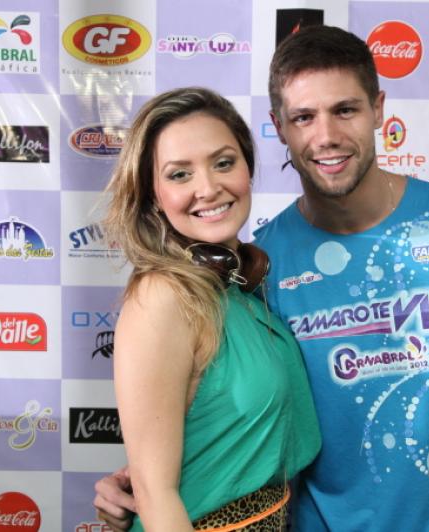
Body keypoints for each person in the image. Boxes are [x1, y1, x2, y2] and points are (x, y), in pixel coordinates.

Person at [96, 26, 429, 532]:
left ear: (378, 109)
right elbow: (213, 400)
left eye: (345, 110)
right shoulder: (261, 264)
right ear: (279, 127)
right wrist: (146, 481)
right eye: (304, 117)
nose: (325, 136)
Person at [103, 86, 321, 531]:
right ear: (152, 194)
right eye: (180, 174)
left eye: (223, 163)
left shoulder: (240, 289)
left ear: (247, 168)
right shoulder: (162, 297)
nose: (208, 188)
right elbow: (155, 492)